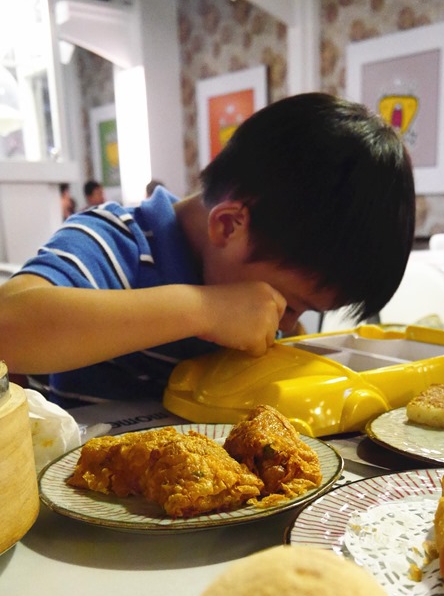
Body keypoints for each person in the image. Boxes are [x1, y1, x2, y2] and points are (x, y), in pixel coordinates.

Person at [0, 93, 415, 408]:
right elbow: (7, 329)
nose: (285, 324)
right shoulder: (117, 241)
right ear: (229, 224)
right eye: (289, 304)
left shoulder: (256, 295)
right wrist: (203, 310)